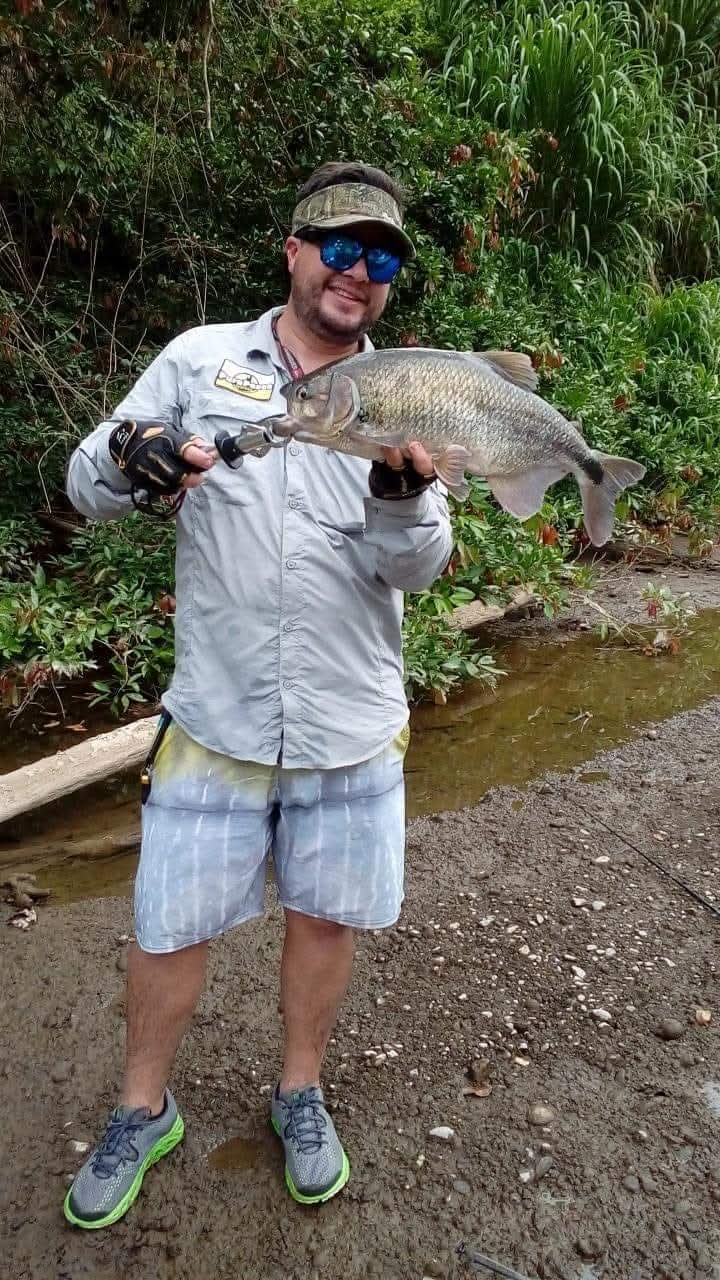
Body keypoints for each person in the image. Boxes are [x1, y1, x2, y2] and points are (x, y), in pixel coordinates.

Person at [63, 161, 452, 1228]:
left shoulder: (411, 388)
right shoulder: (197, 360)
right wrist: (126, 455)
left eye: (380, 258)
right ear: (293, 250)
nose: (356, 272)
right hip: (218, 711)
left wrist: (404, 502)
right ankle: (143, 1105)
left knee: (326, 919)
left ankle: (301, 1090)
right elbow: (84, 481)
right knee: (167, 921)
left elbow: (420, 571)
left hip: (349, 715)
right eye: (339, 246)